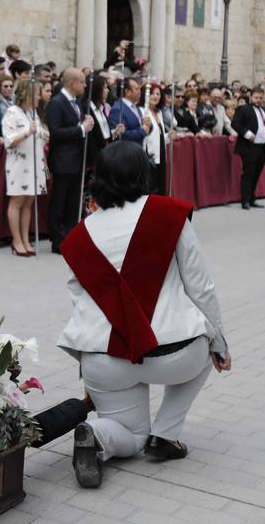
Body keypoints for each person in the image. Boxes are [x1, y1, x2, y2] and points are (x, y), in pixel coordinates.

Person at [57, 142, 231, 489]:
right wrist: (220, 343)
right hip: (174, 353)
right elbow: (200, 286)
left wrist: (86, 366)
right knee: (206, 351)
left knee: (130, 436)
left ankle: (95, 435)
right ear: (143, 173)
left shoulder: (80, 235)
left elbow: (81, 303)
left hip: (103, 358)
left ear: (98, 178)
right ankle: (165, 434)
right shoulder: (169, 214)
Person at [46, 68, 95, 251]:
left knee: (73, 201)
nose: (85, 85)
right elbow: (55, 132)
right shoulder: (56, 103)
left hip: (77, 158)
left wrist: (86, 125)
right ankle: (58, 239)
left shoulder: (77, 102)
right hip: (63, 160)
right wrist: (81, 129)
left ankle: (70, 235)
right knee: (60, 200)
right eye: (82, 82)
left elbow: (78, 126)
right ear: (71, 83)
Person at [2, 78, 46, 257]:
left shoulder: (33, 114)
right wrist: (27, 132)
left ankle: (26, 239)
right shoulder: (12, 112)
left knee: (28, 202)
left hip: (34, 162)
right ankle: (16, 240)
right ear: (28, 94)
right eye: (37, 93)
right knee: (17, 201)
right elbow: (9, 141)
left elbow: (40, 137)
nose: (40, 97)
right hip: (19, 163)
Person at [232, 87, 265, 210]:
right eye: (256, 97)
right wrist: (246, 133)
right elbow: (235, 124)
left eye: (260, 98)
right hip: (249, 146)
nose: (258, 100)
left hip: (263, 146)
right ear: (251, 97)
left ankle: (251, 198)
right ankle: (245, 200)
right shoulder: (243, 109)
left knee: (256, 173)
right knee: (248, 174)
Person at [142, 82, 168, 194]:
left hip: (161, 153)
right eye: (152, 93)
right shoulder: (143, 111)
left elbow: (159, 136)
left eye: (158, 94)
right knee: (151, 186)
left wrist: (168, 136)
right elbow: (145, 134)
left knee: (161, 184)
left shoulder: (159, 113)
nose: (156, 96)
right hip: (149, 154)